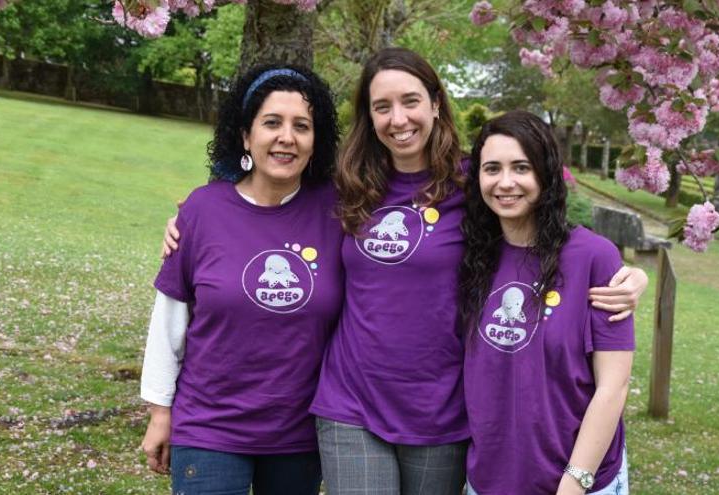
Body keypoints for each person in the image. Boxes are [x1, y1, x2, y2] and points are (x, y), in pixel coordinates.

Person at [161, 48, 647, 495]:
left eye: (410, 101)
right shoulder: (346, 186)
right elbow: (265, 208)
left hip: (441, 410)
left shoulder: (473, 185)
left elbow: (538, 228)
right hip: (350, 401)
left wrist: (626, 274)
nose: (398, 119)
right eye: (381, 107)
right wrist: (198, 213)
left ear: (436, 103)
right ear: (368, 117)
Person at [139, 64, 343, 495]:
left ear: (315, 142)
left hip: (298, 434)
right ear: (246, 136)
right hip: (209, 428)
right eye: (272, 123)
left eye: (301, 126)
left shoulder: (338, 213)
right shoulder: (202, 210)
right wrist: (160, 412)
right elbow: (170, 318)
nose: (286, 136)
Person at [459, 111, 635, 495]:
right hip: (489, 481)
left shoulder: (594, 258)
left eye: (521, 167)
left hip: (580, 483)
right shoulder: (472, 257)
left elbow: (614, 385)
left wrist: (575, 481)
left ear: (546, 172)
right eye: (492, 169)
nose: (505, 182)